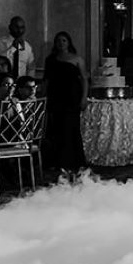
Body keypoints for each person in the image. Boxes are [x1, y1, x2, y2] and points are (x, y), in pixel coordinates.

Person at [42, 31, 88, 172]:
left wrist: (84, 97)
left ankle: (73, 161)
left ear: (68, 43)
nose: (61, 43)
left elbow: (85, 80)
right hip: (55, 98)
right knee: (55, 130)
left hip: (72, 98)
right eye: (58, 41)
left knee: (71, 129)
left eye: (64, 40)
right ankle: (57, 161)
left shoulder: (77, 59)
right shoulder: (50, 60)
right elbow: (46, 80)